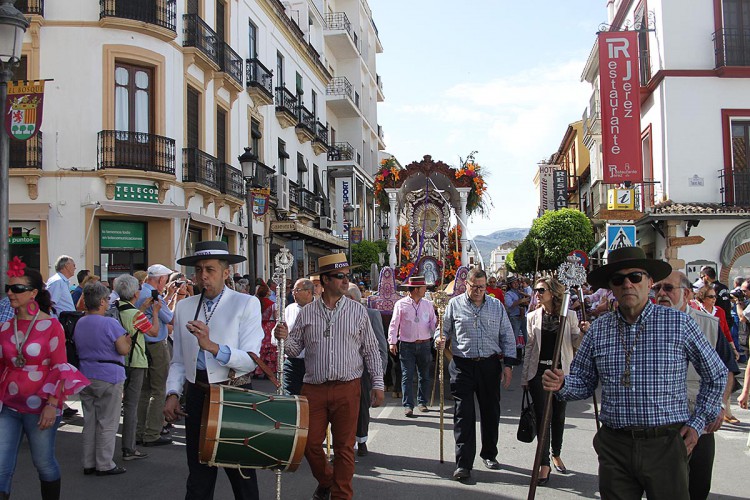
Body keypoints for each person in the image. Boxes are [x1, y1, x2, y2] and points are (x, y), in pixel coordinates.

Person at [542, 247, 728, 499]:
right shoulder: (598, 331)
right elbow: (583, 383)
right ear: (611, 288)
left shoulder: (678, 323)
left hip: (666, 443)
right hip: (615, 447)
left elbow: (716, 374)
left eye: (635, 277)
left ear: (650, 282)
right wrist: (562, 384)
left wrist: (697, 424)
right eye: (619, 279)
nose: (627, 284)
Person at [273, 253, 384, 500]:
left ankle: (341, 495)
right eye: (340, 276)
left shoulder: (358, 312)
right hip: (314, 388)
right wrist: (283, 335)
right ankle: (327, 480)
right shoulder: (307, 312)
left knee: (344, 448)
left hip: (348, 387)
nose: (346, 281)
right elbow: (292, 349)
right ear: (325, 280)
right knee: (309, 444)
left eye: (347, 276)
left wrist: (377, 383)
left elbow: (371, 350)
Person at [164, 241, 264, 500]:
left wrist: (213, 347)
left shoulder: (246, 303)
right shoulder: (185, 307)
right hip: (197, 394)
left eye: (210, 269)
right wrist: (173, 392)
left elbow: (251, 360)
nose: (203, 276)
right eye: (199, 270)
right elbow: (178, 360)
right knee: (198, 474)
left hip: (234, 395)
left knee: (240, 473)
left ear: (226, 272)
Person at [0, 257, 89, 499]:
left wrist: (52, 404)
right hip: (9, 405)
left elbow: (59, 367)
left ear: (33, 293)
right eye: (8, 287)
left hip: (41, 406)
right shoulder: (6, 327)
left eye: (17, 288)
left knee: (44, 463)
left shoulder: (51, 325)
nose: (10, 292)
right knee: (1, 467)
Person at [653, 271, 735, 500]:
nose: (661, 293)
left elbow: (727, 369)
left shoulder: (708, 325)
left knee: (697, 486)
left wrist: (719, 405)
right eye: (657, 288)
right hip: (661, 425)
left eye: (668, 288)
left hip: (699, 419)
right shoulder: (646, 324)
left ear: (687, 293)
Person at [435, 268, 516, 482]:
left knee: (490, 412)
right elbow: (442, 329)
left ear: (486, 286)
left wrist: (509, 365)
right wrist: (439, 339)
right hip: (462, 365)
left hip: (489, 365)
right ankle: (463, 464)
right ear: (466, 285)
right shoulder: (454, 304)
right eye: (474, 287)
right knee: (464, 414)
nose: (478, 291)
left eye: (482, 287)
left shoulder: (496, 306)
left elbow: (507, 335)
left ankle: (489, 453)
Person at [522, 277, 587, 485]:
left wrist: (585, 333)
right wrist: (525, 377)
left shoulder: (568, 316)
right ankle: (544, 463)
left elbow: (575, 342)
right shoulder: (532, 316)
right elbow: (530, 348)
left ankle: (556, 453)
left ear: (553, 292)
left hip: (561, 372)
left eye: (541, 290)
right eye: (536, 290)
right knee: (543, 419)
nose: (537, 294)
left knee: (559, 416)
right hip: (539, 372)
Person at [74, 281, 131, 475]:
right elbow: (123, 348)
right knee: (108, 421)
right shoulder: (110, 323)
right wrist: (128, 341)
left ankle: (88, 462)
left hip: (85, 374)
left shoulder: (80, 322)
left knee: (90, 421)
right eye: (106, 299)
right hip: (109, 375)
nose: (108, 303)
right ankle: (104, 463)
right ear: (100, 302)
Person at [115, 274, 160, 462]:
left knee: (124, 404)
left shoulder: (117, 309)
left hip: (120, 361)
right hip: (136, 362)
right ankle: (129, 448)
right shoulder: (136, 315)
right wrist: (155, 312)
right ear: (135, 292)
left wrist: (142, 308)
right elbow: (154, 331)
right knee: (131, 406)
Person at [135, 264, 178, 447]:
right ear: (160, 279)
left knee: (144, 391)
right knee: (159, 389)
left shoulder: (139, 292)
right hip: (154, 345)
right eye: (165, 280)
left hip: (141, 344)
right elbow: (171, 319)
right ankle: (152, 433)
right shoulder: (152, 295)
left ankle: (139, 431)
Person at [345, 283, 388, 457]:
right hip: (343, 369)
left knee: (362, 407)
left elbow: (380, 346)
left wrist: (379, 375)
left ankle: (361, 440)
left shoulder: (371, 314)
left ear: (352, 299)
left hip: (363, 369)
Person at [387, 276, 437, 417]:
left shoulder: (428, 304)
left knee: (424, 376)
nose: (425, 289)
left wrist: (439, 332)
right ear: (416, 289)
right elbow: (394, 324)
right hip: (407, 345)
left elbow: (433, 322)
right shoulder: (401, 304)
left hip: (425, 344)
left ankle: (422, 402)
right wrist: (392, 341)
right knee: (407, 375)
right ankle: (408, 405)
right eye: (423, 287)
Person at [695, 285, 741, 424]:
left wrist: (733, 348)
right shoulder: (696, 311)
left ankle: (727, 412)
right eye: (711, 297)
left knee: (725, 377)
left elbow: (725, 330)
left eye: (715, 296)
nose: (714, 299)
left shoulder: (719, 311)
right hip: (703, 350)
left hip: (718, 347)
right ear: (702, 298)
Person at [278, 278, 315, 395]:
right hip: (292, 362)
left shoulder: (320, 309)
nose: (293, 293)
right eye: (293, 290)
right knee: (290, 396)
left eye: (297, 290)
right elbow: (279, 332)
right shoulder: (289, 309)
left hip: (313, 363)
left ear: (308, 292)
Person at [700, 266, 734, 330]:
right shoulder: (724, 287)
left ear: (706, 277)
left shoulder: (711, 289)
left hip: (718, 319)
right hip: (728, 318)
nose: (701, 280)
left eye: (702, 277)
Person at [255, 282, 277, 377]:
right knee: (269, 349)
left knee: (260, 349)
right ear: (267, 293)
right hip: (269, 326)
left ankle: (257, 370)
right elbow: (276, 316)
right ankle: (268, 371)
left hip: (259, 325)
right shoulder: (272, 304)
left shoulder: (256, 302)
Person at [504, 275, 530, 343]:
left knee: (527, 337)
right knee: (514, 337)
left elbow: (530, 299)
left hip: (523, 316)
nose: (516, 284)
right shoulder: (508, 294)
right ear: (510, 285)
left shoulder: (520, 291)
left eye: (517, 282)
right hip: (515, 317)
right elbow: (509, 304)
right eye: (514, 283)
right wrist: (521, 301)